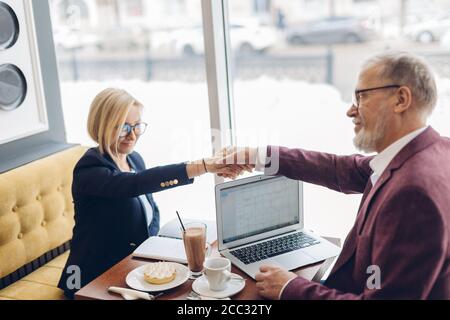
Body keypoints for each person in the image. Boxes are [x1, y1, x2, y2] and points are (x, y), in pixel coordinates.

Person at [224, 51, 450, 299]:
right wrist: (256, 156)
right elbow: (338, 168)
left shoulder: (412, 193)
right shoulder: (433, 150)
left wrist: (290, 288)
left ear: (401, 99)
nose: (351, 111)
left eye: (361, 96)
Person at [58, 88, 245, 298]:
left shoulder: (133, 159)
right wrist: (202, 166)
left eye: (137, 126)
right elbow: (135, 184)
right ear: (102, 127)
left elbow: (150, 210)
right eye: (123, 127)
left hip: (133, 266)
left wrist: (155, 249)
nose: (132, 134)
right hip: (93, 278)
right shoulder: (90, 169)